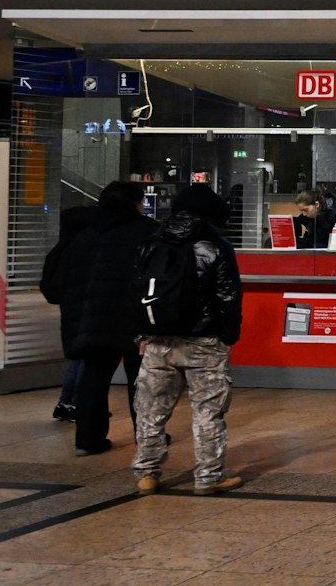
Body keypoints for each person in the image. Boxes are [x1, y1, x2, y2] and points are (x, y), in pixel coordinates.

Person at [131, 184, 244, 496]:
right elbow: (228, 297)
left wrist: (142, 333)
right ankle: (208, 477)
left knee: (151, 410)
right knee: (208, 411)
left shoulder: (151, 243)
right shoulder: (216, 247)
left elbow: (137, 291)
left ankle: (147, 474)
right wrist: (228, 335)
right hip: (204, 341)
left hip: (158, 340)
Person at [42, 182, 155, 455]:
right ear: (135, 203)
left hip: (90, 320)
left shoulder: (83, 235)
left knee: (93, 377)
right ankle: (148, 438)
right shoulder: (147, 233)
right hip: (134, 318)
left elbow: (55, 283)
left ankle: (87, 440)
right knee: (141, 379)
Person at [40, 202, 98, 423]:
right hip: (85, 307)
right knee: (87, 357)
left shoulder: (60, 248)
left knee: (78, 357)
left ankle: (67, 402)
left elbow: (50, 285)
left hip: (70, 308)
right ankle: (76, 403)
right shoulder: (84, 249)